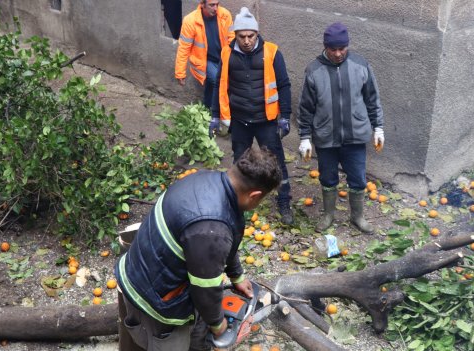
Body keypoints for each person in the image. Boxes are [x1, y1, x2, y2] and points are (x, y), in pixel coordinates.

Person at [115, 147, 281, 351]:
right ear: (254, 195)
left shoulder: (206, 179)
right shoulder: (211, 227)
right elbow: (206, 290)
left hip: (137, 268)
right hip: (154, 300)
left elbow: (223, 235)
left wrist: (236, 275)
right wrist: (219, 326)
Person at [297, 22, 384, 234]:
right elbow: (306, 107)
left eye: (342, 48)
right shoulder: (314, 70)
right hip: (326, 136)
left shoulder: (360, 65)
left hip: (355, 135)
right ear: (325, 47)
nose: (337, 54)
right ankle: (328, 215)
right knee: (327, 177)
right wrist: (305, 137)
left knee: (357, 178)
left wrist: (378, 126)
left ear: (347, 45)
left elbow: (372, 98)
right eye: (333, 49)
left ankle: (358, 216)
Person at [210, 7, 294, 225]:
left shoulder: (272, 52)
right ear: (235, 35)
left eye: (251, 36)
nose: (246, 41)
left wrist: (285, 116)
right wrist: (215, 116)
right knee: (240, 162)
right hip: (240, 120)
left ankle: (284, 203)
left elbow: (284, 85)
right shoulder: (227, 54)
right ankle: (239, 205)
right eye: (242, 36)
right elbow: (219, 85)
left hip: (265, 120)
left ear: (257, 34)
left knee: (277, 163)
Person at [174, 0, 234, 109]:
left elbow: (232, 38)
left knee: (213, 85)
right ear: (202, 5)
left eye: (217, 4)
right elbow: (184, 48)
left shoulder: (225, 15)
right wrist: (180, 73)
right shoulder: (190, 21)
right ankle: (216, 111)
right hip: (204, 60)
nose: (216, 8)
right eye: (212, 5)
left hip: (223, 58)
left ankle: (207, 109)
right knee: (218, 80)